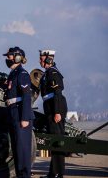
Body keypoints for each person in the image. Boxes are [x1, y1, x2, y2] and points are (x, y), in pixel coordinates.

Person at [3, 47, 34, 178]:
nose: (7, 59)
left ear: (17, 57)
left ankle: (25, 175)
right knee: (16, 150)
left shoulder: (22, 74)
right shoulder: (13, 73)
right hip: (13, 113)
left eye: (10, 56)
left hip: (20, 114)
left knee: (22, 150)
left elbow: (26, 96)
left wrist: (25, 117)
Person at [39, 50, 68, 178]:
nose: (40, 61)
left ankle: (57, 173)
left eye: (41, 59)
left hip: (55, 107)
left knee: (57, 141)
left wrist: (57, 112)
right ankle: (53, 172)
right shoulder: (47, 73)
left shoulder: (53, 72)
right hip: (50, 107)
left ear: (48, 59)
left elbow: (57, 93)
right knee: (54, 142)